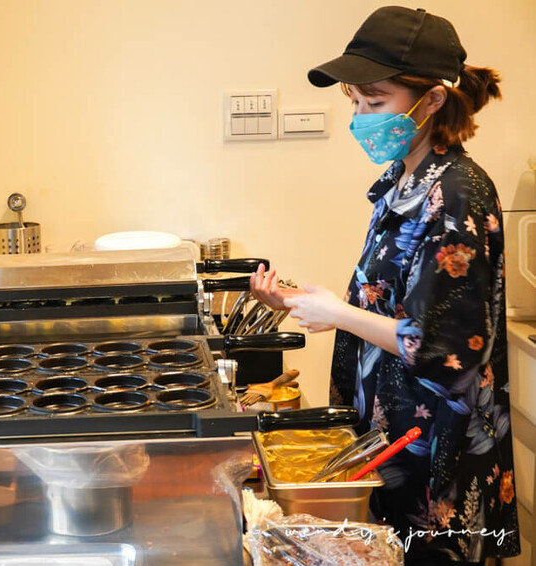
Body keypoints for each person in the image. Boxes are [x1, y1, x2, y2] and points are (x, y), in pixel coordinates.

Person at [250, 6, 520, 565]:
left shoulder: (458, 194)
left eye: (375, 103)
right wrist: (301, 301)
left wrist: (338, 314)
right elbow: (389, 302)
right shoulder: (403, 185)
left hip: (435, 450)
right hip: (390, 435)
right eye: (355, 101)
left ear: (433, 101)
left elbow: (446, 350)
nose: (361, 117)